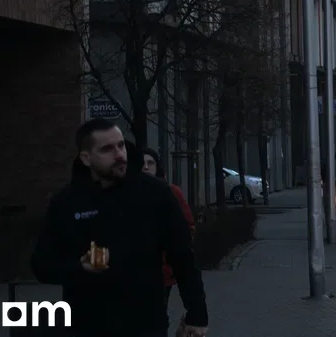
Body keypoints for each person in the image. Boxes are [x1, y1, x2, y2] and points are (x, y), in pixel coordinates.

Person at [32, 119, 208, 337]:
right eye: (107, 149)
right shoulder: (67, 202)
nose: (118, 155)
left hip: (146, 325)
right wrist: (78, 268)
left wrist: (197, 314)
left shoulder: (155, 194)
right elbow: (42, 266)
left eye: (121, 145)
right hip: (86, 326)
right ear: (86, 158)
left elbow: (182, 256)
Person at [141, 147, 195, 305]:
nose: (145, 167)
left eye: (150, 163)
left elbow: (189, 226)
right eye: (141, 164)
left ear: (157, 167)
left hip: (163, 271)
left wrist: (175, 256)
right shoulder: (127, 194)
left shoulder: (171, 192)